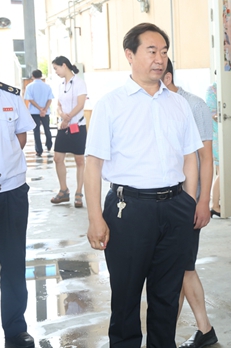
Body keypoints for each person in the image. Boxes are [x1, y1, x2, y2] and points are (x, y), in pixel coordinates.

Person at [84, 23, 203, 348]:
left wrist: (188, 203)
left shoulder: (177, 104)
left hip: (175, 208)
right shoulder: (111, 104)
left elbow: (190, 157)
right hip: (129, 210)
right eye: (151, 51)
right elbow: (93, 165)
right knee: (126, 298)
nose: (159, 58)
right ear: (130, 54)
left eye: (163, 52)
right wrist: (95, 217)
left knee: (166, 297)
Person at [161, 58, 218, 348]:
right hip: (162, 202)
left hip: (187, 201)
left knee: (183, 267)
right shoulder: (155, 104)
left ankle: (199, 330)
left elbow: (206, 158)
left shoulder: (193, 105)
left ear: (167, 77)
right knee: (177, 269)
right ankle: (194, 331)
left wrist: (203, 200)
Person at [0, 81, 36, 347]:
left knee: (14, 262)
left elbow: (20, 136)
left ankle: (15, 328)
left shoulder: (8, 97)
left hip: (12, 191)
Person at [50, 56, 87, 208]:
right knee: (57, 158)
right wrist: (61, 114)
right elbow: (58, 104)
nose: (55, 72)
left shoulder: (79, 83)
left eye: (56, 68)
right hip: (63, 127)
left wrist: (68, 118)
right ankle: (63, 190)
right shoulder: (61, 85)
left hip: (77, 126)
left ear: (64, 65)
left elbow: (80, 104)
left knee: (80, 161)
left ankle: (79, 192)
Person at [24, 69, 54, 157]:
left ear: (32, 76)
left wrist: (39, 108)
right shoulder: (47, 86)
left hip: (34, 112)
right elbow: (50, 99)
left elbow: (29, 99)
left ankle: (39, 150)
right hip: (45, 112)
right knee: (47, 129)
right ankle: (49, 145)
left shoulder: (29, 86)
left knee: (36, 130)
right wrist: (44, 109)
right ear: (41, 76)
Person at [205, 82, 220, 217]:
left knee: (224, 172)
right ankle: (214, 205)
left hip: (224, 136)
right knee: (223, 172)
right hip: (217, 137)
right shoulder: (212, 90)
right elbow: (212, 114)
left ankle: (219, 203)